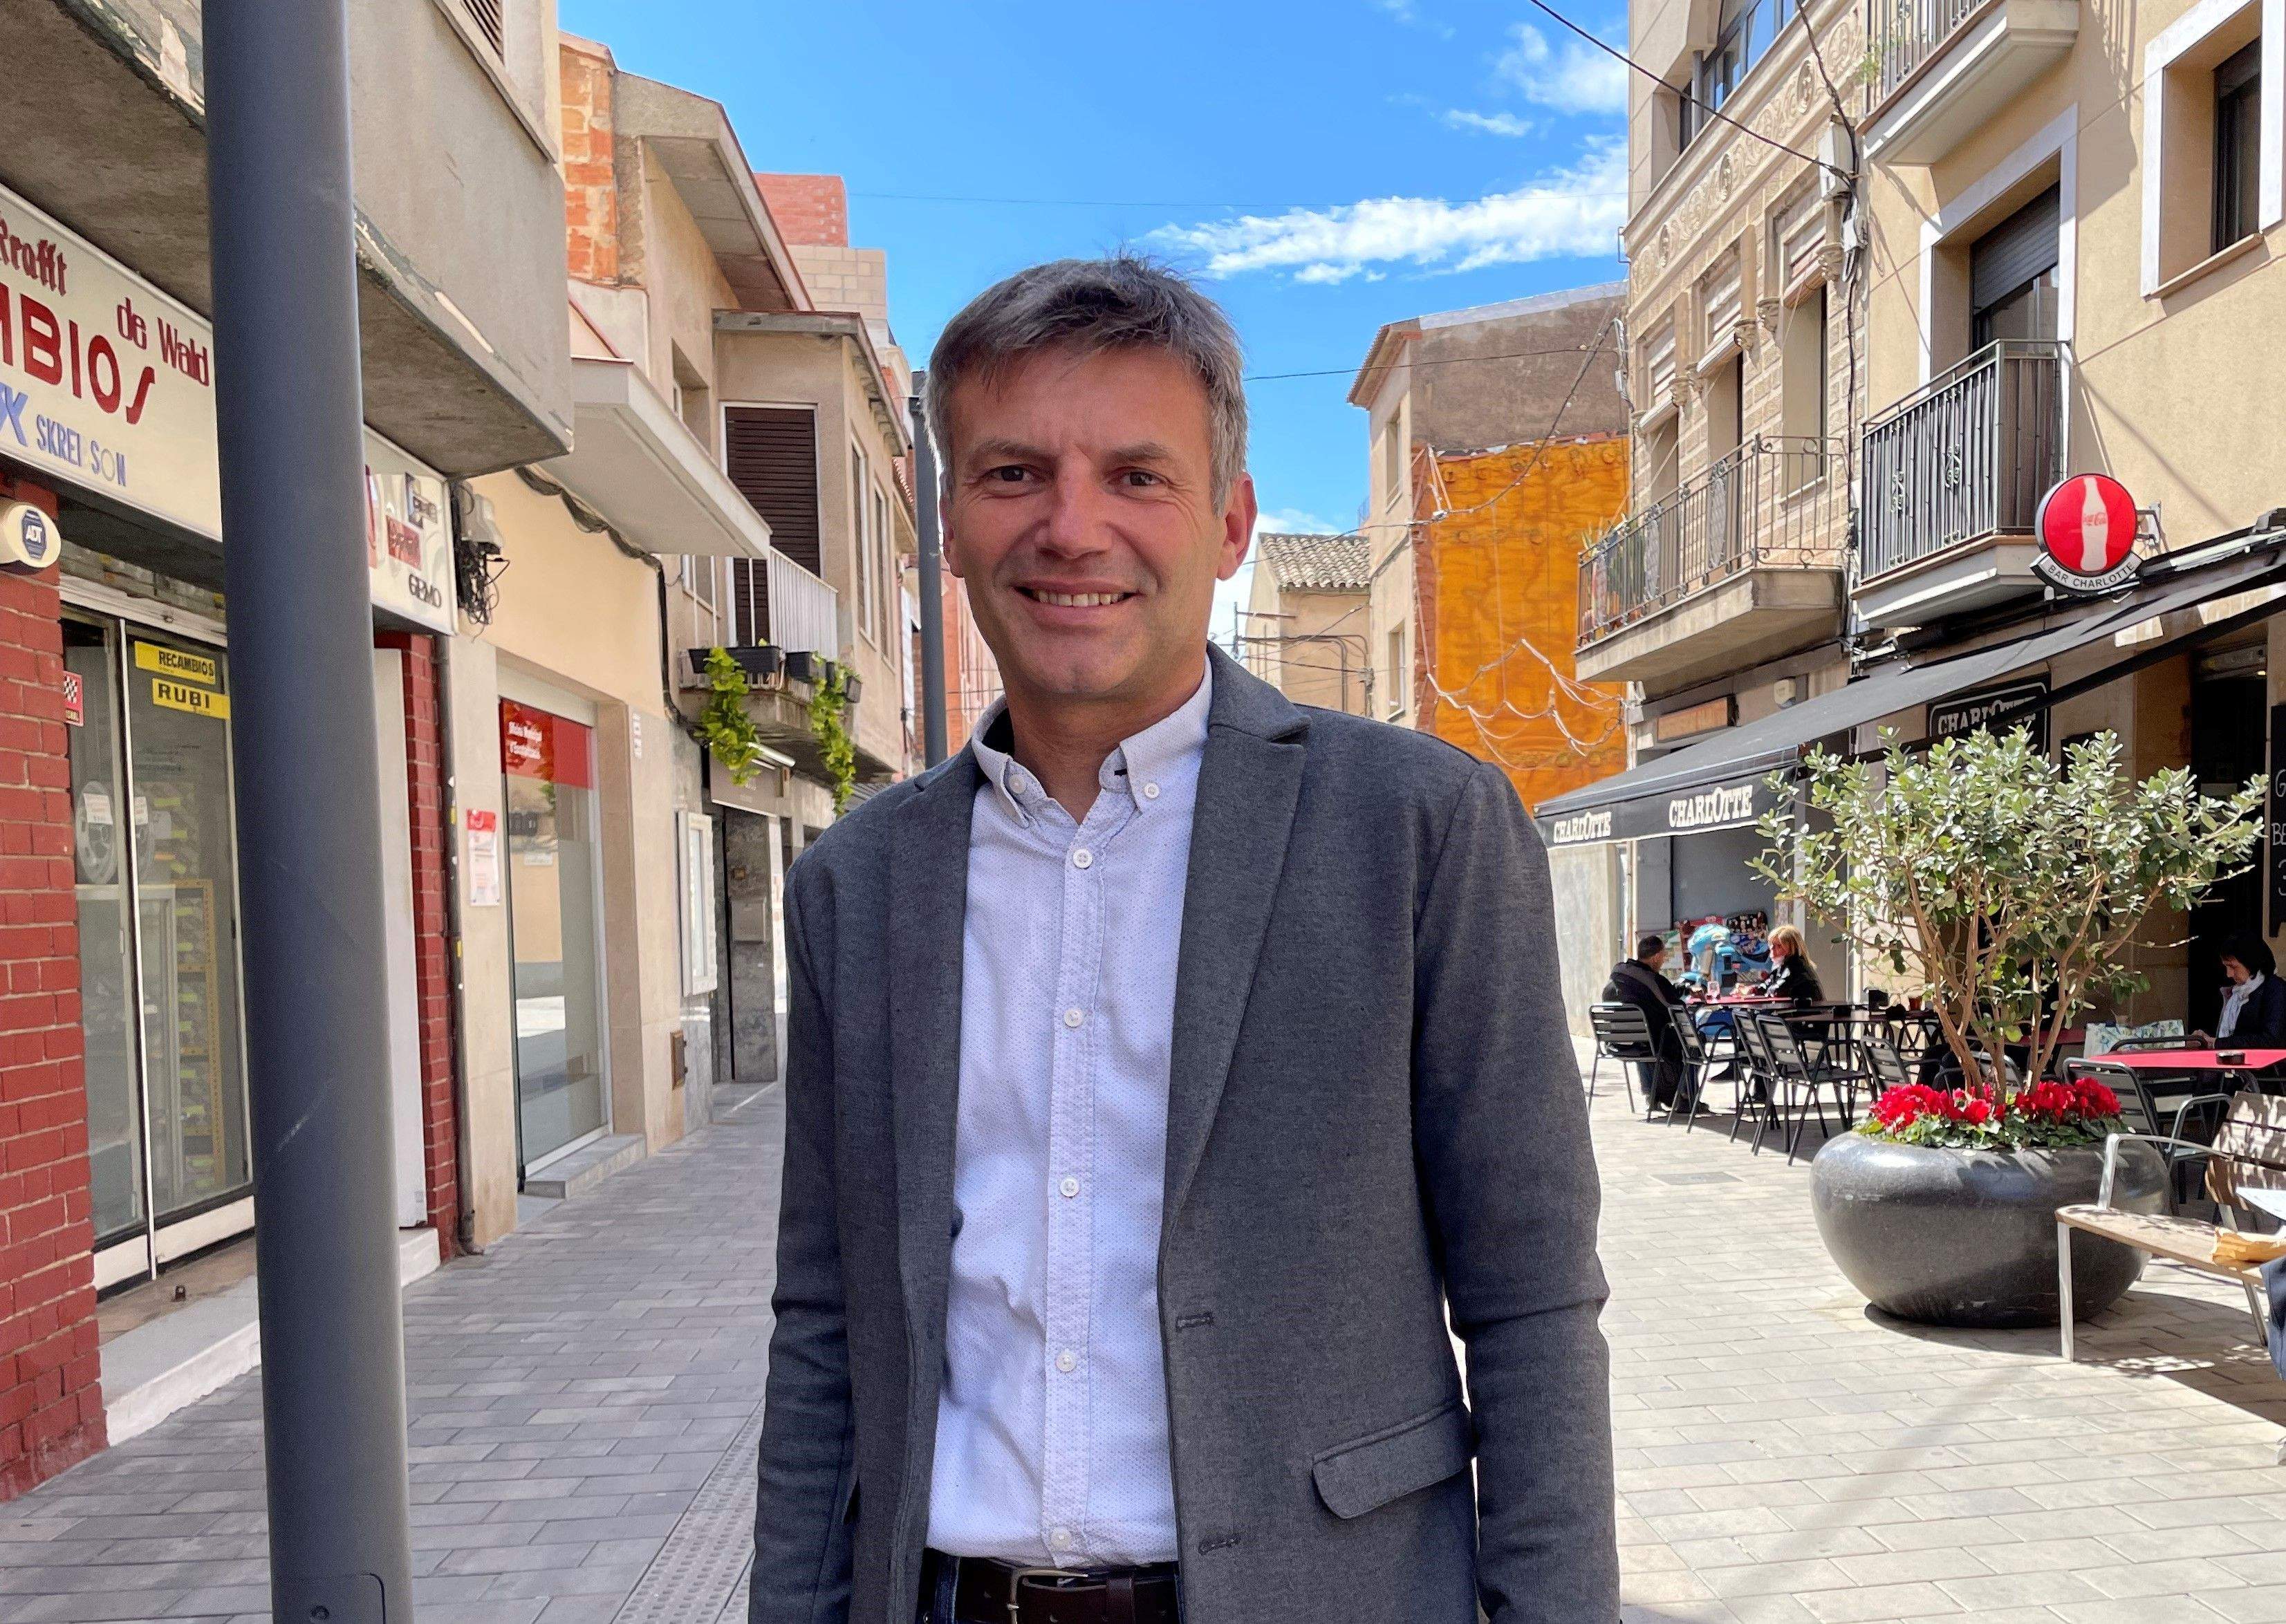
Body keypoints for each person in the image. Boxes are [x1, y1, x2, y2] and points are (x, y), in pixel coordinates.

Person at [749, 257, 1615, 1624]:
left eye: (1137, 477)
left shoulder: (1420, 828)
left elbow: (1533, 1301)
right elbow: (823, 1326)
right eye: (1015, 473)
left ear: (1229, 522)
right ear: (951, 522)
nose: (1071, 527)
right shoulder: (857, 882)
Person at [1604, 933, 1690, 1111]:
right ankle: (1685, 1098)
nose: (1664, 961)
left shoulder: (1619, 976)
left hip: (1620, 1042)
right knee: (1692, 1041)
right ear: (1657, 957)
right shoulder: (1653, 979)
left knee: (1644, 1037)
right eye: (1664, 956)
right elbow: (1674, 1007)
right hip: (1651, 1044)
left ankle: (1651, 1094)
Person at [2193, 936, 2286, 1048]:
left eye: (2233, 967)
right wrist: (2204, 1039)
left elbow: (2271, 1039)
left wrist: (2216, 1043)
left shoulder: (2275, 989)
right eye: (2226, 966)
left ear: (2251, 963)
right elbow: (2232, 1036)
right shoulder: (2235, 994)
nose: (2229, 974)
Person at [1763, 924, 1825, 1003]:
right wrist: (1753, 989)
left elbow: (1778, 990)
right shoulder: (1783, 966)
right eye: (1772, 945)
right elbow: (1769, 983)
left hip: (1808, 1013)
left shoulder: (1795, 966)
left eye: (1778, 946)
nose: (1772, 949)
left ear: (1792, 948)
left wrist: (1766, 990)